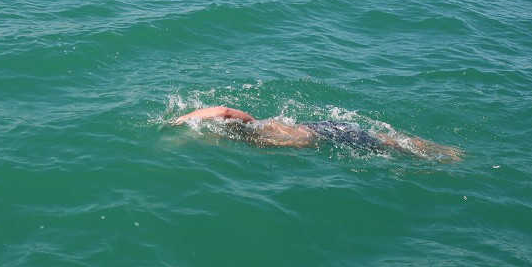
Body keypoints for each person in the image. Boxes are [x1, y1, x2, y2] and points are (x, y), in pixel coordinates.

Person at [172, 105, 461, 161]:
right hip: (324, 132)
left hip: (326, 134)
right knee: (387, 143)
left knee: (390, 145)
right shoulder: (244, 135)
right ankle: (438, 151)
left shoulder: (250, 127)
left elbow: (223, 110)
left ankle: (444, 153)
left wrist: (183, 117)